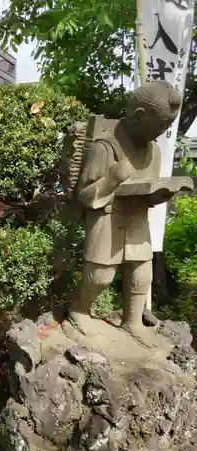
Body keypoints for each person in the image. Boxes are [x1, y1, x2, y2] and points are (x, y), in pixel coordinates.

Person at [68, 81, 182, 348]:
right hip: (107, 216)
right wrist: (110, 179)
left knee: (143, 273)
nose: (161, 133)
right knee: (101, 277)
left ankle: (132, 320)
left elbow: (147, 185)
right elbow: (84, 195)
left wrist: (158, 195)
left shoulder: (152, 151)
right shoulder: (105, 147)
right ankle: (79, 311)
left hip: (136, 215)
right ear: (140, 116)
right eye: (160, 126)